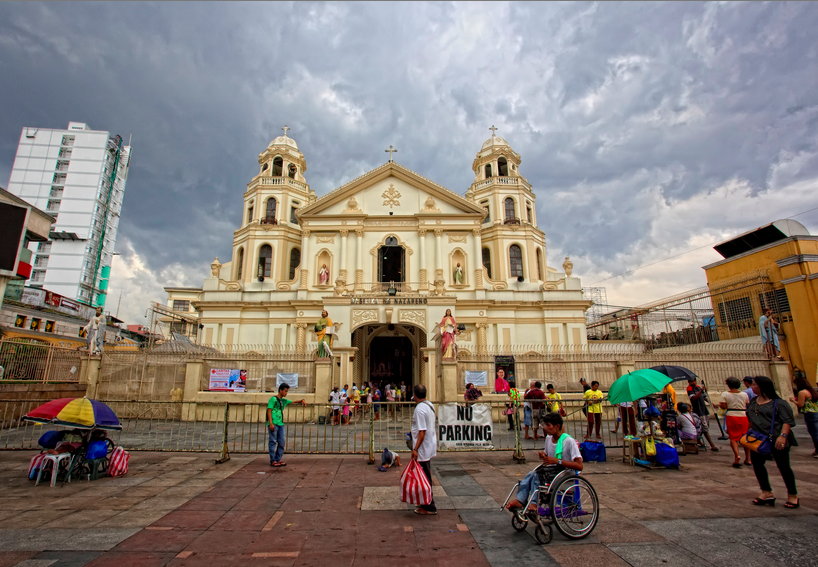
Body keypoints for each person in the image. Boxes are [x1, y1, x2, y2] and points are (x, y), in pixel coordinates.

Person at [505, 412, 583, 511]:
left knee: (536, 476)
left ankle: (532, 503)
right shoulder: (548, 439)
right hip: (551, 472)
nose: (545, 428)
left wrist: (557, 461)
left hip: (564, 473)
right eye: (545, 425)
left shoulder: (569, 441)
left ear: (557, 426)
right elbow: (548, 459)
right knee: (531, 474)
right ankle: (520, 500)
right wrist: (544, 456)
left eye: (548, 425)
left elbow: (579, 465)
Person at [747, 375, 798, 508]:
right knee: (757, 464)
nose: (752, 387)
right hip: (758, 439)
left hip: (776, 438)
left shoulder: (778, 403)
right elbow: (750, 418)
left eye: (754, 385)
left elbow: (787, 420)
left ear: (762, 387)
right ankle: (766, 491)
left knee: (783, 466)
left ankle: (793, 495)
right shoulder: (754, 401)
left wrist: (782, 436)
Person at [410, 384, 437, 515]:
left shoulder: (420, 409)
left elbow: (422, 431)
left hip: (423, 448)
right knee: (424, 475)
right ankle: (424, 501)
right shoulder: (430, 405)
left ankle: (429, 506)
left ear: (414, 395)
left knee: (424, 477)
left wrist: (415, 449)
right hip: (429, 445)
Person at [267, 382, 307, 467]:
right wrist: (270, 423)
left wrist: (301, 400)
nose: (286, 393)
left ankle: (278, 458)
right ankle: (273, 459)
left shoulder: (283, 401)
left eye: (287, 391)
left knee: (282, 441)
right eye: (285, 391)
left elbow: (293, 401)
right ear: (280, 390)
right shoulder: (273, 399)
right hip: (273, 422)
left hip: (280, 423)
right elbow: (269, 410)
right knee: (273, 441)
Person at [720, 377, 751, 467]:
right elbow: (747, 404)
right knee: (745, 437)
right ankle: (748, 458)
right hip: (743, 415)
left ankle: (737, 455)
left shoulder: (725, 394)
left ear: (728, 385)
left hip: (731, 414)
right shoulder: (744, 394)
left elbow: (724, 406)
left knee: (733, 437)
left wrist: (721, 405)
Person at [790, 374, 818, 458]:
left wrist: (793, 401)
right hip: (816, 412)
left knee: (814, 433)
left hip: (809, 414)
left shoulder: (802, 392)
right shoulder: (812, 391)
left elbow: (801, 404)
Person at [686, 378, 718, 451]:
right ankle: (712, 444)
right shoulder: (689, 389)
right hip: (698, 411)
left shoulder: (698, 387)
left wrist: (711, 404)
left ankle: (698, 441)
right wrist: (700, 391)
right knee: (704, 428)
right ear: (689, 382)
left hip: (704, 410)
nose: (693, 382)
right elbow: (694, 398)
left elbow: (704, 397)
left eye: (694, 381)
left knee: (705, 426)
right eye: (691, 381)